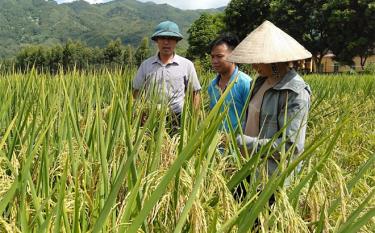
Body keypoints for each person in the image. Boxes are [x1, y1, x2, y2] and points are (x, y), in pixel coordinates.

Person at [228, 20, 312, 197]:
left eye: (258, 60)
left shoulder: (295, 92)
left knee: (261, 223)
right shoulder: (258, 84)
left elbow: (290, 145)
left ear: (275, 60)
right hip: (246, 168)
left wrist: (241, 141)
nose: (253, 65)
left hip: (271, 177)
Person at [133, 21, 201, 127]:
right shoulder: (146, 65)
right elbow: (136, 92)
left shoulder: (187, 65)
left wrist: (193, 121)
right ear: (157, 41)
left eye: (171, 38)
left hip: (178, 117)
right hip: (150, 117)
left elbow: (195, 93)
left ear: (176, 41)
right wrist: (140, 115)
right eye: (162, 38)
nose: (166, 42)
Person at [208, 34, 252, 132]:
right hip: (215, 144)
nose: (214, 61)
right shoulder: (212, 85)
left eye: (219, 56)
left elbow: (252, 118)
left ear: (234, 55)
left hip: (238, 144)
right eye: (212, 57)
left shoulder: (246, 83)